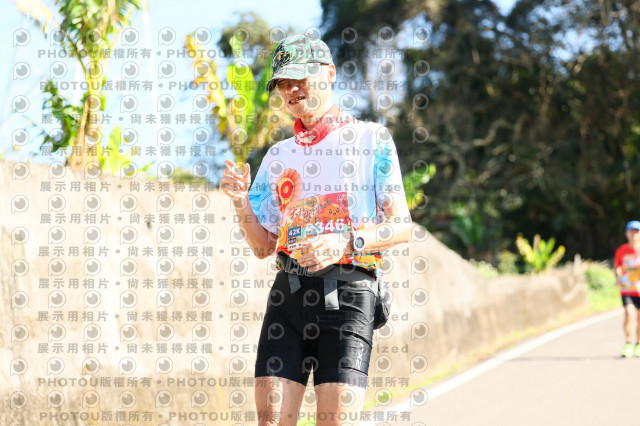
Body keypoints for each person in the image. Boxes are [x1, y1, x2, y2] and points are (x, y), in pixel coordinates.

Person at [220, 34, 412, 425]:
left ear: (329, 73)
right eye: (283, 83)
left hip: (350, 295)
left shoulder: (371, 139)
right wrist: (240, 202)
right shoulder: (278, 156)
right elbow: (263, 247)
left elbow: (401, 226)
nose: (292, 89)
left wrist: (346, 242)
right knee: (271, 420)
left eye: (300, 78)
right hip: (288, 297)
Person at [614, 220, 640, 358]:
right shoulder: (621, 250)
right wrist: (618, 277)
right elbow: (617, 266)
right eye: (632, 232)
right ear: (626, 233)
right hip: (627, 289)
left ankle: (638, 344)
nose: (634, 235)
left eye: (636, 232)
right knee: (628, 314)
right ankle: (628, 343)